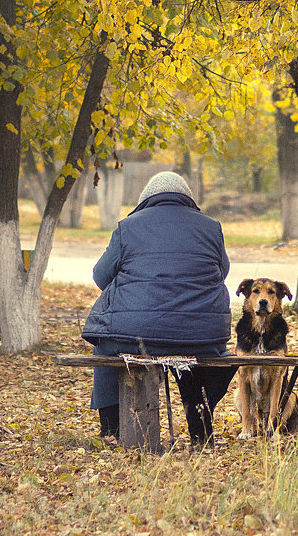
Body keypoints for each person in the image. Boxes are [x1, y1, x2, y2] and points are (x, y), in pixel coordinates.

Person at [81, 171, 237, 445]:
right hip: (200, 335)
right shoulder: (212, 228)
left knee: (104, 346)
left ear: (146, 200)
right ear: (187, 198)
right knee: (195, 357)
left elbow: (101, 277)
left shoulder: (127, 227)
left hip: (133, 335)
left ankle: (111, 430)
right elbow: (221, 272)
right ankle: (201, 433)